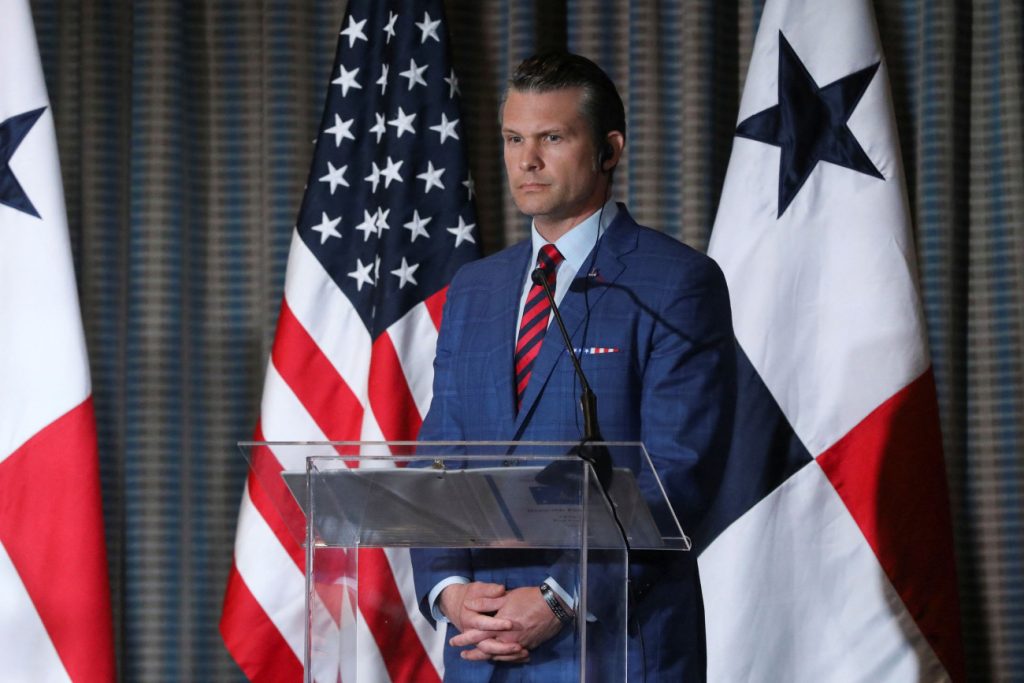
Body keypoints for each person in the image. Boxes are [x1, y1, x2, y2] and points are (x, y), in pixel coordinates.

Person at [412, 51, 736, 681]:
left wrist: (561, 598)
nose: (526, 160)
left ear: (609, 150)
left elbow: (678, 474)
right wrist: (450, 589)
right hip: (483, 644)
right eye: (513, 139)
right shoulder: (475, 287)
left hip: (614, 644)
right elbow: (439, 456)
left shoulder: (677, 282)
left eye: (552, 138)